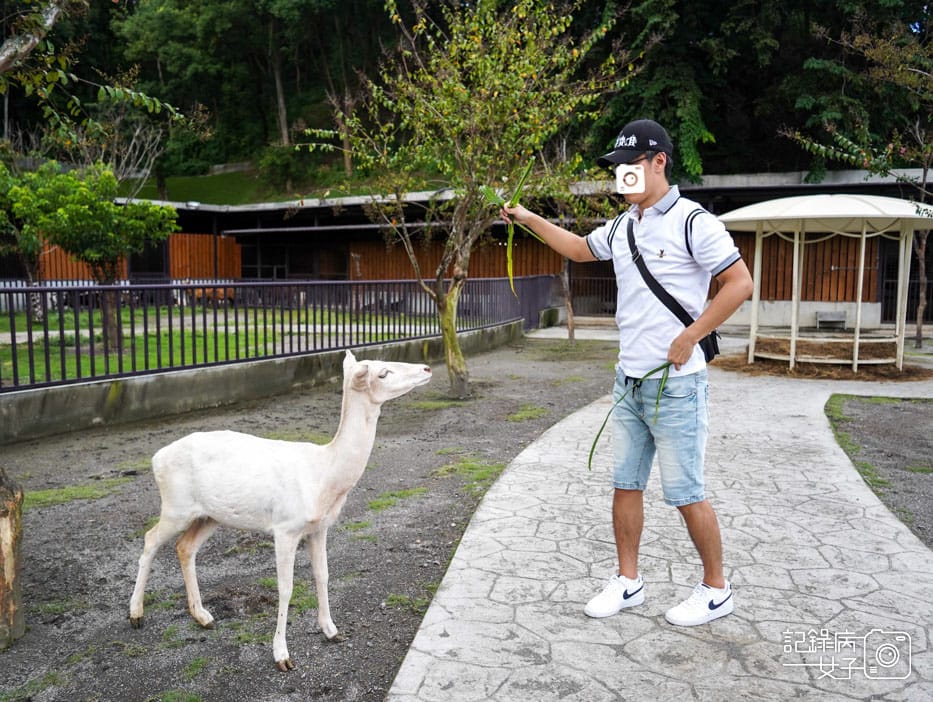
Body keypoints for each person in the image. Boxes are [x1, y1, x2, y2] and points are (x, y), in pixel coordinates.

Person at [501, 119, 753, 627]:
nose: (623, 178)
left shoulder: (693, 221)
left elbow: (739, 283)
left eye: (630, 167)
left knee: (686, 492)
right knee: (625, 484)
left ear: (659, 161)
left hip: (678, 385)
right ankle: (628, 580)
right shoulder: (622, 226)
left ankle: (716, 588)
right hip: (629, 383)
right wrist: (528, 217)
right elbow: (576, 249)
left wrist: (690, 335)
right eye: (618, 170)